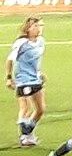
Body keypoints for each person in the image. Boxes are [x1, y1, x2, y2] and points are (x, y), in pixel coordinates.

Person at [5, 17, 45, 147]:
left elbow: (36, 61)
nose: (38, 28)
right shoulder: (21, 43)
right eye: (35, 26)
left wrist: (39, 73)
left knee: (40, 109)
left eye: (39, 26)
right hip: (23, 79)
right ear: (28, 28)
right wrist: (9, 77)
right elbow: (10, 60)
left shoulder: (41, 42)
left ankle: (28, 133)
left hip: (35, 78)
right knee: (25, 107)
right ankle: (24, 136)